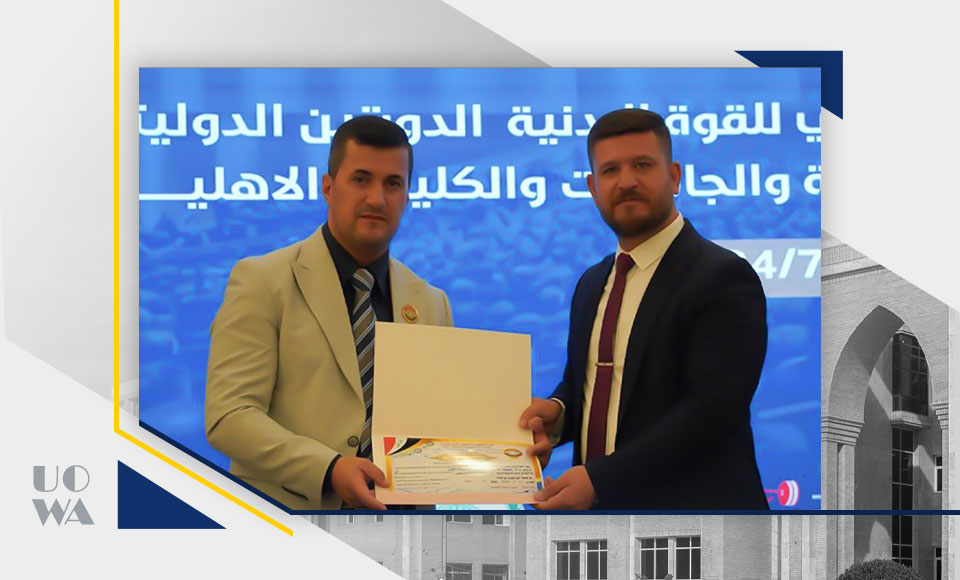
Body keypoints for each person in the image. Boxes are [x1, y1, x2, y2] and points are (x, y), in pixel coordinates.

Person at [521, 108, 769, 510]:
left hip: (697, 524)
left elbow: (712, 411)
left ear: (673, 176)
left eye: (642, 165)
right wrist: (559, 414)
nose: (627, 181)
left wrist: (601, 480)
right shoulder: (591, 283)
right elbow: (589, 385)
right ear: (593, 187)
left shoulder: (723, 275)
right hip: (600, 525)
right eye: (610, 170)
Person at [205, 116, 453, 510]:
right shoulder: (262, 280)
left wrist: (515, 446)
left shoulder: (431, 303)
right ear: (328, 187)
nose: (377, 199)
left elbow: (442, 423)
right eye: (361, 179)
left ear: (407, 196)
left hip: (408, 528)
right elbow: (229, 416)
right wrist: (329, 469)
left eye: (393, 184)